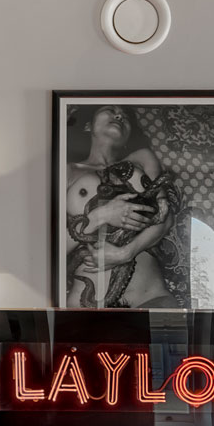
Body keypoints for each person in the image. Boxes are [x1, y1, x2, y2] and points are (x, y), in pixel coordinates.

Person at [63, 104, 182, 307]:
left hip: (150, 296)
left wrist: (125, 253)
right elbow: (52, 248)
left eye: (126, 116)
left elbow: (166, 217)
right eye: (110, 109)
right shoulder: (66, 171)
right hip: (86, 307)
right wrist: (103, 215)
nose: (119, 115)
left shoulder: (143, 158)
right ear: (87, 126)